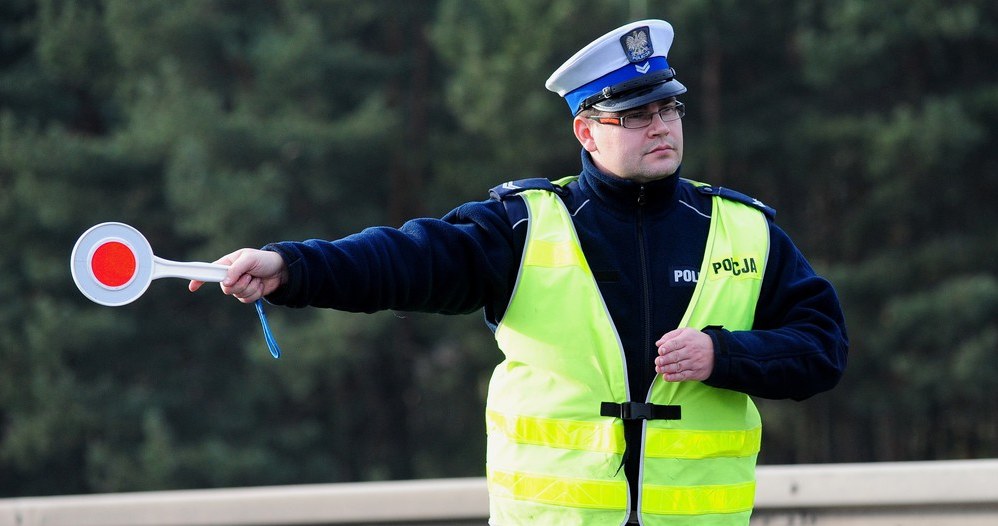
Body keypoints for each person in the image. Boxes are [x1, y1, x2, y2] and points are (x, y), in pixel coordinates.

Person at [190, 19, 847, 526]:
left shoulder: (746, 230)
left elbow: (824, 350)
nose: (661, 126)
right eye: (636, 114)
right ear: (586, 133)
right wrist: (290, 266)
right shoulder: (524, 224)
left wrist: (724, 354)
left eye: (670, 109)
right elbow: (403, 259)